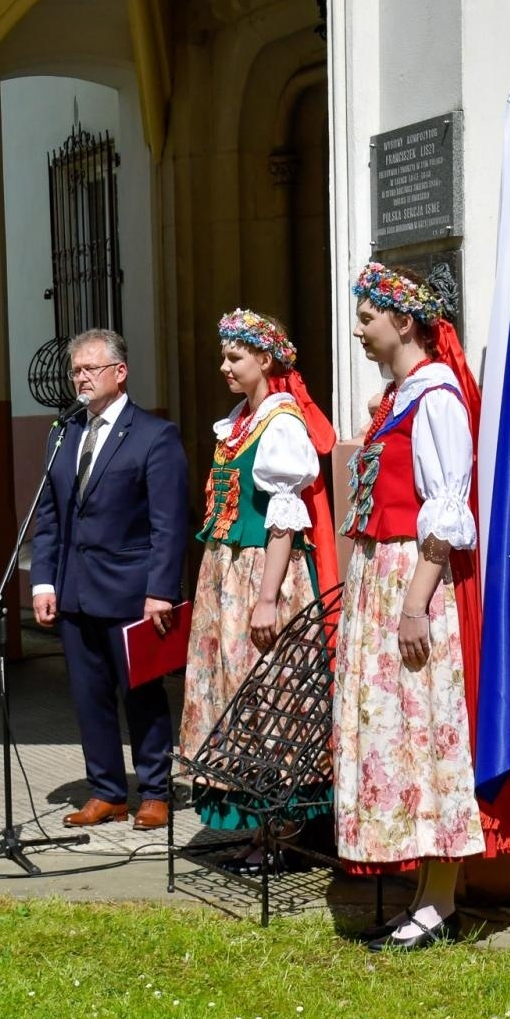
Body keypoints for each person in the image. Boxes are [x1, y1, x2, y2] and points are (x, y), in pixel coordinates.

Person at [335, 262, 507, 950]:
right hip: (386, 579)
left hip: (416, 581)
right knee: (400, 737)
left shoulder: (435, 397)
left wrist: (413, 607)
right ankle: (423, 895)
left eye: (367, 317)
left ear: (402, 321)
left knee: (427, 732)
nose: (358, 329)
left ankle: (440, 903)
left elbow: (446, 511)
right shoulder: (400, 397)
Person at [179, 308, 339, 874]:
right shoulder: (240, 421)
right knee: (235, 694)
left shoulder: (282, 425)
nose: (224, 365)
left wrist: (268, 598)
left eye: (235, 356)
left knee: (268, 696)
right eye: (224, 356)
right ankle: (257, 827)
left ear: (265, 359)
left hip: (260, 574)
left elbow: (283, 521)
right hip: (226, 572)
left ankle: (281, 830)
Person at [30, 328, 191, 831]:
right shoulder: (64, 433)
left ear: (119, 373)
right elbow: (51, 515)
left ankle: (156, 791)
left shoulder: (154, 435)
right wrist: (43, 582)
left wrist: (161, 591)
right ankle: (106, 791)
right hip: (74, 589)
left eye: (90, 369)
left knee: (140, 693)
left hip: (132, 591)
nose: (80, 378)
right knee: (88, 696)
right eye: (75, 370)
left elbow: (170, 523)